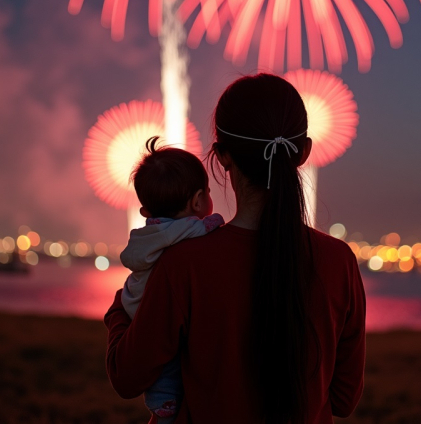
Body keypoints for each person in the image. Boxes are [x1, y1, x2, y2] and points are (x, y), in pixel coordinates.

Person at [105, 73, 366, 424]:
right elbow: (344, 400)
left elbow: (127, 376)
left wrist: (121, 310)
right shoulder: (339, 262)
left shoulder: (184, 265)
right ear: (303, 152)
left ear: (222, 156)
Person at [119, 136, 224, 423]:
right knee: (172, 361)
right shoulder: (185, 231)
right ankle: (164, 402)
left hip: (134, 304)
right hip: (156, 309)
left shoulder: (148, 235)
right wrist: (216, 223)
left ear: (145, 212)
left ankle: (159, 402)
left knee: (161, 361)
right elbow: (207, 228)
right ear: (198, 200)